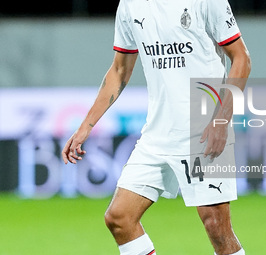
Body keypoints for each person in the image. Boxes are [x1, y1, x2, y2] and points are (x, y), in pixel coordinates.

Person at [62, 0, 251, 254]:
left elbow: (242, 59)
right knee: (119, 217)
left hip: (203, 128)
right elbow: (119, 70)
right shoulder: (130, 6)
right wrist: (85, 126)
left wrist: (220, 121)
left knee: (216, 227)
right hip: (157, 133)